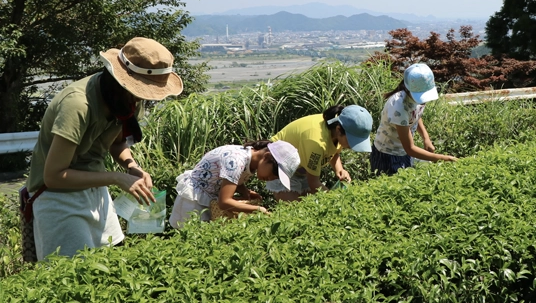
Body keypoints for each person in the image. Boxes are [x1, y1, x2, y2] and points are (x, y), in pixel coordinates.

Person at [26, 37, 183, 260]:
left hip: (95, 190)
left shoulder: (127, 102)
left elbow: (117, 142)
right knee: (72, 277)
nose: (142, 99)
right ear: (121, 81)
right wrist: (116, 178)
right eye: (142, 91)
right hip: (58, 199)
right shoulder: (78, 105)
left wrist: (132, 167)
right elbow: (54, 176)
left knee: (109, 264)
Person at [168, 140, 300, 229]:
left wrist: (244, 191)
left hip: (208, 198)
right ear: (266, 157)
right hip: (193, 200)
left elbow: (231, 178)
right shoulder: (236, 161)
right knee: (191, 241)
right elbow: (224, 202)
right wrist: (258, 210)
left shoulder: (251, 161)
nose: (272, 179)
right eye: (275, 173)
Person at [265, 104, 373, 202]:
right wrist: (337, 200)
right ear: (339, 130)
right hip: (279, 165)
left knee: (309, 206)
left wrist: (339, 170)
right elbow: (314, 184)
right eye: (352, 141)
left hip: (302, 169)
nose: (353, 146)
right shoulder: (316, 142)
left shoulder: (336, 126)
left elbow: (334, 152)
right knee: (296, 211)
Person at [370, 63, 458, 175]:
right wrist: (443, 158)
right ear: (408, 89)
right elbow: (410, 148)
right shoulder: (398, 106)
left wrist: (425, 137)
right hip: (388, 154)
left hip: (403, 151)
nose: (423, 101)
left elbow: (415, 116)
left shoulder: (417, 98)